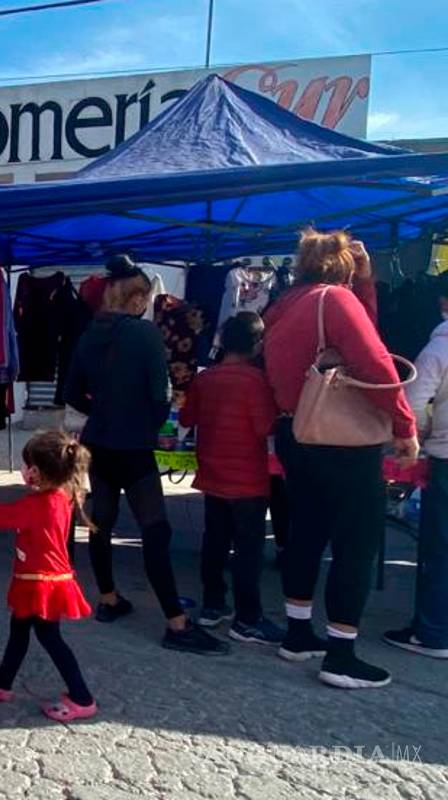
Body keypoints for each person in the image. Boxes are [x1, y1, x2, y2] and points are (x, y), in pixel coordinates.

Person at [264, 230, 417, 689]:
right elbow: (374, 361)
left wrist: (362, 285)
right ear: (346, 264)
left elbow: (353, 337)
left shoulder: (286, 303)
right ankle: (341, 653)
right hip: (341, 439)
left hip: (296, 429)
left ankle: (297, 633)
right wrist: (404, 425)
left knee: (307, 532)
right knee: (356, 543)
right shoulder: (335, 299)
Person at [65, 255, 227, 656]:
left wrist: (103, 409)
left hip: (99, 441)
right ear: (137, 299)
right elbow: (160, 395)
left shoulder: (90, 333)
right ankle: (176, 622)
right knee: (155, 529)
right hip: (134, 443)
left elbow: (71, 393)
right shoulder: (145, 334)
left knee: (101, 522)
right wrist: (145, 422)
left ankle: (108, 599)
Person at [0, 430, 97, 723]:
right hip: (43, 580)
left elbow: (2, 517)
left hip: (40, 583)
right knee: (20, 630)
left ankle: (82, 697)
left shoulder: (39, 504)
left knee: (49, 638)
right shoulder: (61, 496)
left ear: (36, 472)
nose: (23, 469)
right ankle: (2, 681)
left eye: (27, 464)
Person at [180, 312, 284, 645]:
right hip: (248, 479)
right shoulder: (256, 381)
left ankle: (213, 605)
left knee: (215, 541)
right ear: (256, 345)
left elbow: (187, 417)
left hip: (213, 474)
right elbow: (264, 427)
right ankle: (248, 618)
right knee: (248, 550)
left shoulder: (206, 379)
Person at [384, 278, 448, 659]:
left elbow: (411, 404)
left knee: (440, 548)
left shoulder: (439, 347)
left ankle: (433, 632)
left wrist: (420, 434)